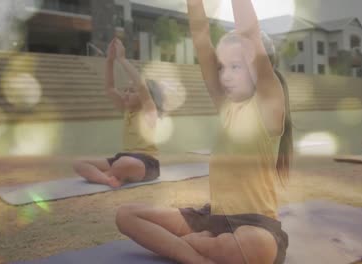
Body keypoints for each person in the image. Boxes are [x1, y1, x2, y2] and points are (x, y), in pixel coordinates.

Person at [114, 0, 291, 263]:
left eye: (236, 66)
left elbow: (249, 33)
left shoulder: (269, 108)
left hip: (254, 225)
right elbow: (200, 36)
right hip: (211, 219)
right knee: (126, 215)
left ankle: (188, 247)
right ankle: (196, 254)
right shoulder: (226, 106)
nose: (225, 76)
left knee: (258, 246)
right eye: (222, 67)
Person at [73, 38, 164, 188]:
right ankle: (108, 179)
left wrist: (121, 59)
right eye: (125, 90)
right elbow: (110, 88)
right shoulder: (127, 110)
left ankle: (109, 173)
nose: (126, 93)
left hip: (146, 162)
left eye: (132, 91)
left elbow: (141, 86)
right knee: (79, 163)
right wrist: (109, 60)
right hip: (123, 157)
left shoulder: (149, 110)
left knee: (124, 163)